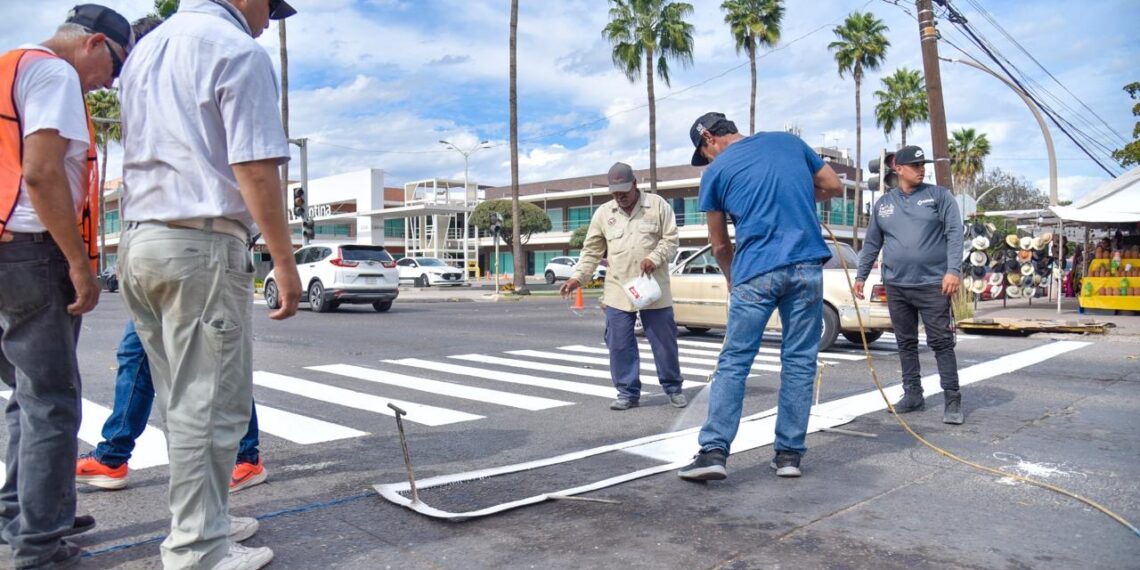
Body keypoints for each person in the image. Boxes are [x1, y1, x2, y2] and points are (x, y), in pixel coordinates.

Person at [117, 0, 301, 568]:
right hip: (200, 243)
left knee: (183, 400)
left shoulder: (148, 47)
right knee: (211, 404)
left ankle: (207, 522)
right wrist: (283, 261)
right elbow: (254, 166)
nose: (267, 21)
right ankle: (197, 549)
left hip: (142, 239)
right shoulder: (235, 49)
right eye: (269, 8)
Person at [0, 4, 132, 567]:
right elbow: (42, 171)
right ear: (94, 43)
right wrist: (79, 262)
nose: (110, 82)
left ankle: (26, 511)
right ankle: (39, 545)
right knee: (52, 402)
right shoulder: (54, 72)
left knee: (28, 395)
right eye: (115, 66)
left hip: (7, 248)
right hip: (34, 250)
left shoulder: (10, 65)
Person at [677, 112, 843, 482]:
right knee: (800, 360)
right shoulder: (788, 142)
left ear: (709, 138)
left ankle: (714, 452)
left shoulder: (716, 173)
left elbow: (720, 244)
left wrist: (732, 278)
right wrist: (801, 193)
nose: (707, 159)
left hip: (756, 271)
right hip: (806, 268)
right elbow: (832, 185)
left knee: (735, 361)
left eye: (704, 153)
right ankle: (788, 456)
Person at [76, 320, 267, 493]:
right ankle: (112, 457)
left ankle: (246, 456)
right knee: (135, 353)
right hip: (153, 292)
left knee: (218, 359)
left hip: (200, 293)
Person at [559, 162, 686, 411]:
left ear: (635, 184)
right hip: (618, 288)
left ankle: (673, 388)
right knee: (619, 343)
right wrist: (577, 278)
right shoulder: (604, 213)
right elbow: (591, 251)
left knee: (664, 342)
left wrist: (654, 258)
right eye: (615, 193)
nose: (620, 197)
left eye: (624, 192)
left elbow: (671, 240)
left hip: (652, 287)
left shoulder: (657, 205)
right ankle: (627, 392)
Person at [854, 145, 965, 425]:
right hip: (896, 285)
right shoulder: (884, 204)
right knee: (905, 342)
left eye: (922, 165)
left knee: (941, 342)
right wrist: (861, 277)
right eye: (915, 166)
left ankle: (952, 399)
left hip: (933, 284)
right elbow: (872, 243)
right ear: (898, 168)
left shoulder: (939, 196)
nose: (921, 169)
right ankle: (913, 394)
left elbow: (955, 234)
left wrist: (953, 270)